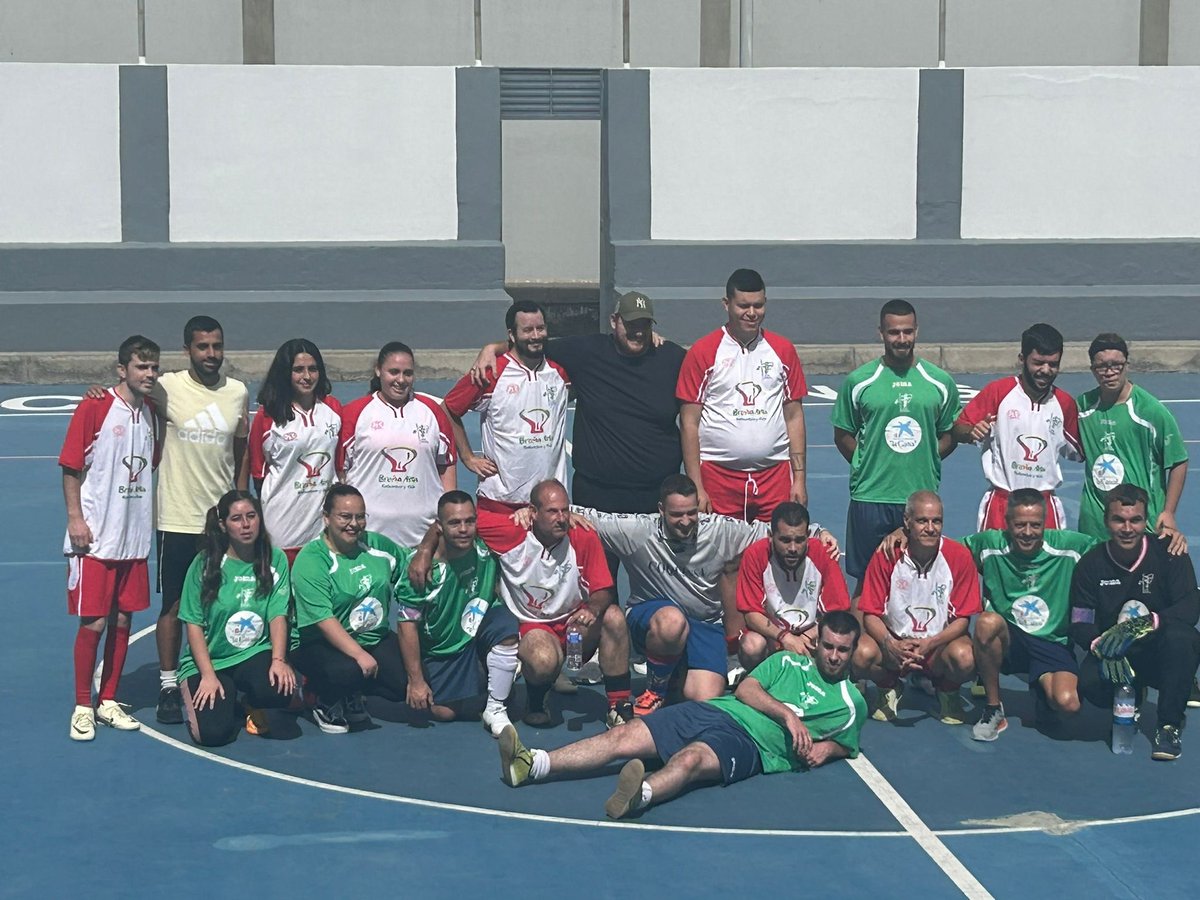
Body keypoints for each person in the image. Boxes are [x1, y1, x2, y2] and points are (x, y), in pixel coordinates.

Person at [497, 612, 866, 820]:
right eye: (829, 647)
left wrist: (828, 749)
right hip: (718, 710)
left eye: (843, 651)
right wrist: (787, 715)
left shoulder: (851, 704)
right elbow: (747, 690)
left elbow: (847, 744)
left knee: (690, 760)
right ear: (817, 644)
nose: (834, 656)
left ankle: (637, 796)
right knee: (622, 737)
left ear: (852, 652)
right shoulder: (787, 661)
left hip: (750, 746)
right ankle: (531, 764)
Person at [571, 477, 843, 716]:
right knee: (671, 621)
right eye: (677, 515)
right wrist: (534, 514)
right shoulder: (637, 530)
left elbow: (773, 530)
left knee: (705, 698)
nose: (686, 521)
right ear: (660, 511)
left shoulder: (719, 530)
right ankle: (655, 690)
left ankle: (676, 672)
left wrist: (820, 532)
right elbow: (587, 517)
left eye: (692, 513)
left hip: (705, 623)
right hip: (651, 618)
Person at [468, 291, 685, 516]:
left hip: (657, 495)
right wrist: (492, 348)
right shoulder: (587, 352)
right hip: (598, 497)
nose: (638, 331)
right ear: (614, 321)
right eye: (631, 324)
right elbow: (533, 344)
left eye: (645, 324)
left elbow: (693, 421)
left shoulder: (672, 358)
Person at [147, 316, 251, 726]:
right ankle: (169, 683)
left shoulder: (238, 392)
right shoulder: (167, 387)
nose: (212, 354)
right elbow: (127, 396)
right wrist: (98, 393)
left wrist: (240, 502)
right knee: (173, 604)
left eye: (217, 346)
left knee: (221, 601)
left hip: (217, 523)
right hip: (176, 517)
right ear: (187, 349)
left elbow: (241, 448)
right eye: (203, 347)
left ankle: (220, 669)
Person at [61, 335, 162, 741]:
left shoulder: (153, 413)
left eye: (154, 368)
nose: (149, 374)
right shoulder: (96, 406)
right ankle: (82, 705)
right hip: (96, 538)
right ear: (122, 370)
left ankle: (108, 699)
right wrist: (75, 519)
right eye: (141, 367)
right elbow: (70, 465)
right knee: (95, 622)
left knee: (124, 619)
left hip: (133, 539)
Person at [833, 300, 960, 598]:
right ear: (881, 334)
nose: (901, 339)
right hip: (871, 498)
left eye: (907, 332)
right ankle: (862, 646)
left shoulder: (939, 382)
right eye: (893, 332)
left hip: (919, 499)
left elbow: (950, 434)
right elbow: (843, 434)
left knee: (921, 582)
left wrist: (924, 456)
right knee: (867, 587)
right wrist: (867, 462)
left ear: (917, 331)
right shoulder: (859, 381)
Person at [1070, 484, 1200, 761]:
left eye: (1135, 520)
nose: (1127, 528)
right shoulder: (1090, 564)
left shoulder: (1169, 552)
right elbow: (1080, 620)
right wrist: (1099, 645)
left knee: (1184, 639)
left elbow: (1191, 607)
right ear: (1106, 521)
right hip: (1116, 655)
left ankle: (1168, 726)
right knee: (1090, 684)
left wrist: (1148, 623)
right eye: (1119, 519)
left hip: (1158, 653)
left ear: (1146, 520)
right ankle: (1132, 693)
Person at [961, 489, 1096, 741]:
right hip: (1009, 639)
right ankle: (993, 708)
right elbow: (947, 552)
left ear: (1045, 523)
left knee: (1068, 704)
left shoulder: (1070, 547)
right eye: (1019, 524)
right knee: (987, 623)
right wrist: (903, 533)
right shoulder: (989, 544)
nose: (1027, 532)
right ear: (1007, 523)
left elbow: (1114, 550)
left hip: (1052, 642)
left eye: (1035, 525)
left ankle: (1042, 692)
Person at [677, 268, 808, 522]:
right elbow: (689, 423)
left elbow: (794, 416)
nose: (751, 313)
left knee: (776, 554)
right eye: (743, 305)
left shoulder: (783, 350)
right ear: (726, 304)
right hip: (718, 478)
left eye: (758, 305)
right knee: (721, 558)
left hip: (774, 478)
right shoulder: (704, 351)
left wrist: (799, 479)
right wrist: (697, 486)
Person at [393, 491, 521, 737]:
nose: (464, 529)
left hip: (480, 628)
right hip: (442, 648)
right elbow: (405, 626)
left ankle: (496, 705)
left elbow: (539, 519)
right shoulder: (420, 573)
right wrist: (416, 681)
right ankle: (491, 675)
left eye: (469, 521)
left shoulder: (486, 545)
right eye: (454, 523)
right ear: (439, 526)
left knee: (505, 625)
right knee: (444, 713)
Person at [178, 492, 296, 746]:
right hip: (212, 660)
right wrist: (208, 676)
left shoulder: (274, 559)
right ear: (223, 525)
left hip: (252, 653)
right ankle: (224, 698)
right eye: (236, 518)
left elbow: (277, 615)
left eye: (251, 517)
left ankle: (251, 700)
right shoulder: (205, 564)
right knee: (211, 736)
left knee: (277, 688)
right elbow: (194, 625)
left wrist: (279, 660)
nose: (246, 525)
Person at [290, 485, 409, 733]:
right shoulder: (312, 560)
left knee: (407, 682)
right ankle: (322, 698)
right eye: (345, 516)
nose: (353, 524)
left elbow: (411, 568)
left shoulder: (377, 546)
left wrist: (431, 545)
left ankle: (351, 691)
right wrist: (358, 654)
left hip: (371, 636)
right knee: (347, 670)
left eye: (360, 516)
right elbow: (323, 619)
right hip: (318, 643)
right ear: (326, 518)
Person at [857, 491, 980, 726]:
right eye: (923, 520)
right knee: (861, 653)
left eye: (937, 521)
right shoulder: (886, 555)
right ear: (907, 522)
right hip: (896, 643)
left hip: (937, 646)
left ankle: (948, 691)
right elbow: (870, 613)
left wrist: (931, 643)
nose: (931, 528)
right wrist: (890, 644)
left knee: (966, 657)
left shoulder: (959, 556)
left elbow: (963, 620)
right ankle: (888, 686)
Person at [443, 301, 570, 529]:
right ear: (511, 334)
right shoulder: (492, 372)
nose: (535, 336)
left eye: (540, 328)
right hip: (500, 503)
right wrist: (468, 457)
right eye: (527, 330)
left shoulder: (561, 372)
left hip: (549, 506)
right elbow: (448, 408)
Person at [953, 323, 1082, 529]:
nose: (1046, 371)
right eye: (1038, 363)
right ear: (1022, 359)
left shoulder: (1064, 403)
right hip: (1001, 504)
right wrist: (971, 432)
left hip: (1045, 507)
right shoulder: (998, 392)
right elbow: (959, 429)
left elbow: (1082, 451)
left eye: (1053, 364)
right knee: (991, 562)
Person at [338, 342, 456, 547]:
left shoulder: (432, 411)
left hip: (425, 538)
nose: (401, 380)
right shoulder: (354, 413)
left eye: (408, 373)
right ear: (378, 371)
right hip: (369, 537)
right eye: (393, 372)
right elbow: (340, 473)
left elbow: (446, 464)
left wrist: (448, 517)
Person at [1076, 333, 1188, 538]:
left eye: (1116, 365)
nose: (1110, 372)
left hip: (1139, 524)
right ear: (1093, 369)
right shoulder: (1082, 408)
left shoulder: (1151, 411)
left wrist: (1169, 512)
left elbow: (1179, 460)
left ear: (1127, 365)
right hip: (1094, 527)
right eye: (1102, 366)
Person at [249, 339, 342, 564]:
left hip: (322, 530)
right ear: (284, 373)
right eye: (298, 370)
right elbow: (259, 475)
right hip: (282, 527)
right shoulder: (267, 417)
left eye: (313, 369)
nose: (307, 377)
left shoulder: (333, 409)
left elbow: (339, 467)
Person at [734, 502, 853, 672]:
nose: (792, 548)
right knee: (752, 646)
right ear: (770, 536)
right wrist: (785, 638)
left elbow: (838, 611)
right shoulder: (755, 555)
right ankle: (760, 681)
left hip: (812, 633)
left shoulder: (822, 553)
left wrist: (806, 637)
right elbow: (751, 614)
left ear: (808, 536)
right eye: (785, 540)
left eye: (799, 540)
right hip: (772, 635)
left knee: (842, 643)